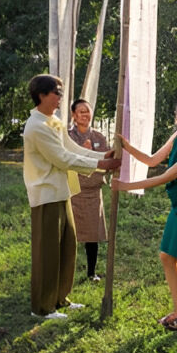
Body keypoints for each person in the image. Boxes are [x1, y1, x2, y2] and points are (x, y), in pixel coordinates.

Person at [113, 98, 177, 330]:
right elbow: (152, 160)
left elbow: (164, 177)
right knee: (167, 256)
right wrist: (127, 147)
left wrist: (124, 186)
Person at [23, 74, 121, 320]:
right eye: (56, 92)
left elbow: (72, 148)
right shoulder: (36, 127)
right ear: (42, 95)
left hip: (62, 192)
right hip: (46, 195)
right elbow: (63, 159)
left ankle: (59, 298)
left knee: (66, 248)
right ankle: (42, 307)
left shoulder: (53, 121)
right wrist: (102, 164)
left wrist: (102, 157)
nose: (59, 98)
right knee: (47, 253)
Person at [67, 98, 109, 282]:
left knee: (92, 234)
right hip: (73, 190)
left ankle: (91, 273)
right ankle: (65, 270)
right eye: (81, 111)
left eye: (88, 111)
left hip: (93, 191)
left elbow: (107, 161)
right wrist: (83, 152)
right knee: (69, 233)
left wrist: (93, 152)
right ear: (74, 116)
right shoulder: (68, 137)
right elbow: (65, 158)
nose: (85, 114)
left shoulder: (99, 137)